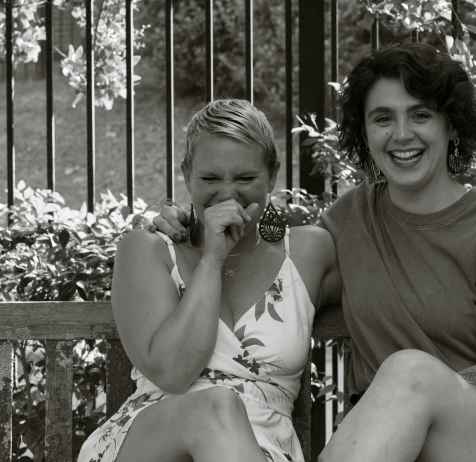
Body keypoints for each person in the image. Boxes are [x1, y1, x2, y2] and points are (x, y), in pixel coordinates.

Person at [152, 42, 476, 461]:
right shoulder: (352, 217)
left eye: (420, 114)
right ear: (364, 132)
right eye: (383, 118)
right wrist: (196, 218)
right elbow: (273, 243)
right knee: (404, 378)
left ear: (451, 125)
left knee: (408, 371)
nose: (401, 134)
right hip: (384, 449)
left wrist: (403, 403)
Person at [78, 99, 341, 462]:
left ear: (274, 175)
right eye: (209, 179)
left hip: (260, 450)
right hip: (155, 444)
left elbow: (393, 280)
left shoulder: (309, 253)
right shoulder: (147, 250)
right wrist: (212, 258)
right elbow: (173, 374)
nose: (228, 194)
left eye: (246, 178)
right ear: (187, 175)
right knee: (216, 406)